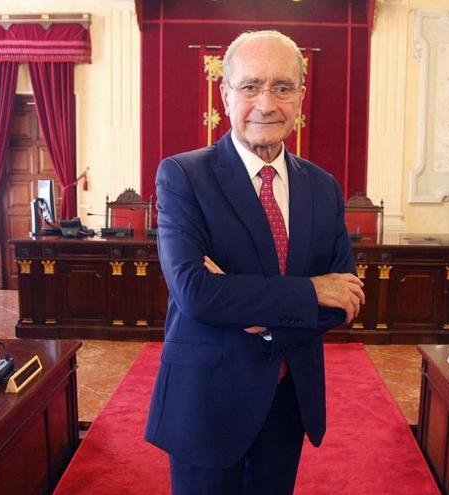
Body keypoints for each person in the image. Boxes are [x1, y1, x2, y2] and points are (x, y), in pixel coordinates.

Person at [145, 30, 365, 495]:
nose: (267, 103)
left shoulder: (323, 187)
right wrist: (308, 292)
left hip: (288, 401)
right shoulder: (183, 175)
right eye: (250, 86)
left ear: (301, 97)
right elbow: (196, 293)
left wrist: (254, 313)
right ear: (226, 95)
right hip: (207, 401)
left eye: (283, 87)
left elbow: (344, 297)